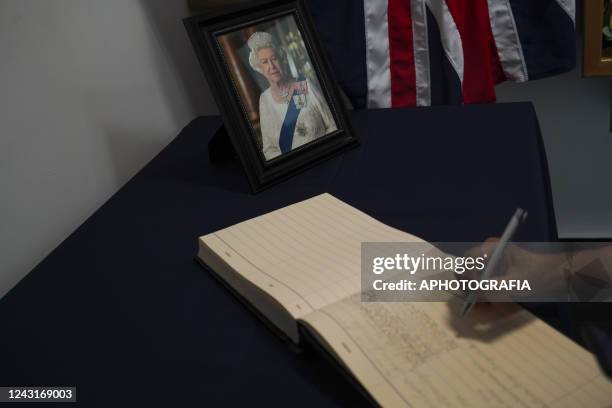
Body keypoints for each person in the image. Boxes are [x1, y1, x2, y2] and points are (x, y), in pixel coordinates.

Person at [247, 31, 337, 161]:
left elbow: (333, 125)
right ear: (259, 68)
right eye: (265, 62)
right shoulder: (264, 100)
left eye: (274, 58)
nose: (271, 66)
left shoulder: (304, 85)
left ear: (282, 57)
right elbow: (270, 149)